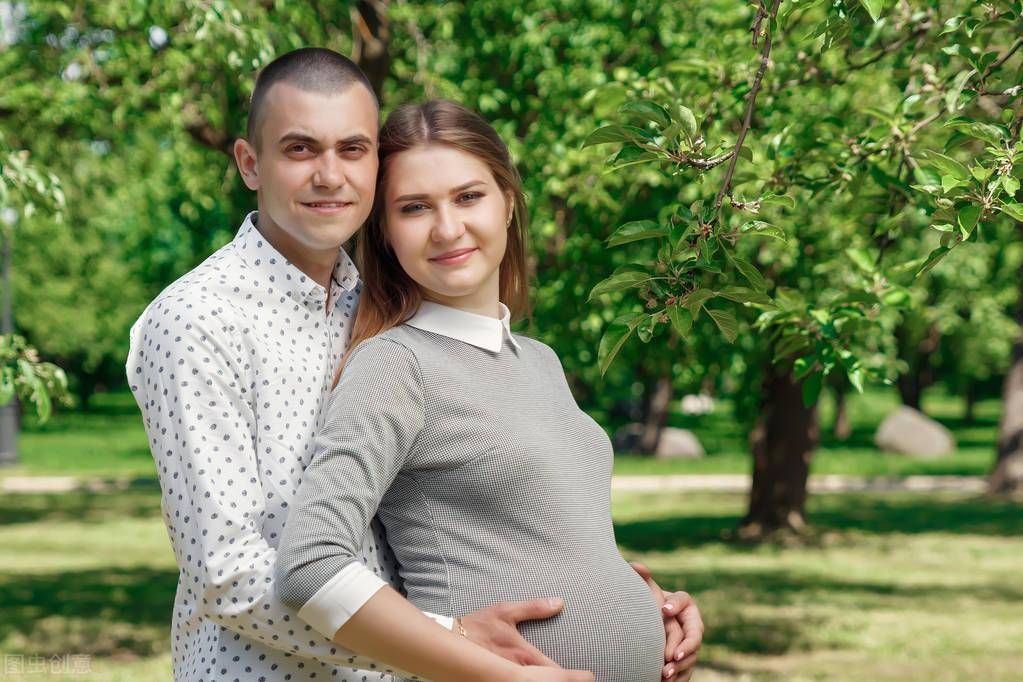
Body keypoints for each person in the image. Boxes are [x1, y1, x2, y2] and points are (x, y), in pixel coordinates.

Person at [127, 47, 700, 682]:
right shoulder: (199, 320)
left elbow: (470, 515)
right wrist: (454, 641)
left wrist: (635, 600)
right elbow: (229, 576)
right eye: (299, 149)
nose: (329, 175)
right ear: (248, 162)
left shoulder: (372, 311)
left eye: (352, 149)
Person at [275, 99, 694, 682]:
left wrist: (655, 609)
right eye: (414, 208)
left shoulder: (540, 361)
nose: (447, 228)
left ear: (509, 202)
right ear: (386, 232)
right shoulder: (396, 364)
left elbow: (556, 544)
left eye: (468, 196)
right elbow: (309, 569)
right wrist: (503, 674)